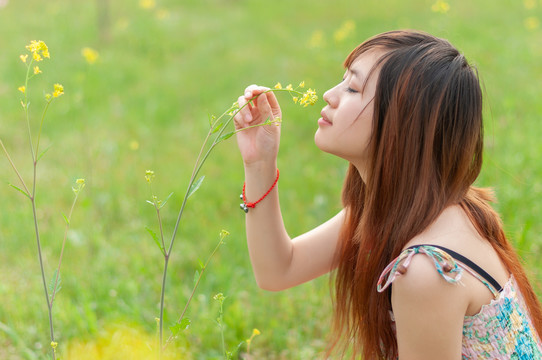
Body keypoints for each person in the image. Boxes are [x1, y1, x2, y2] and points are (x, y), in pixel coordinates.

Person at [233, 30, 542, 359]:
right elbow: (278, 270)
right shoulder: (413, 208)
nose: (328, 95)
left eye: (353, 87)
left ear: (401, 122)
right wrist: (259, 161)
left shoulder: (427, 270)